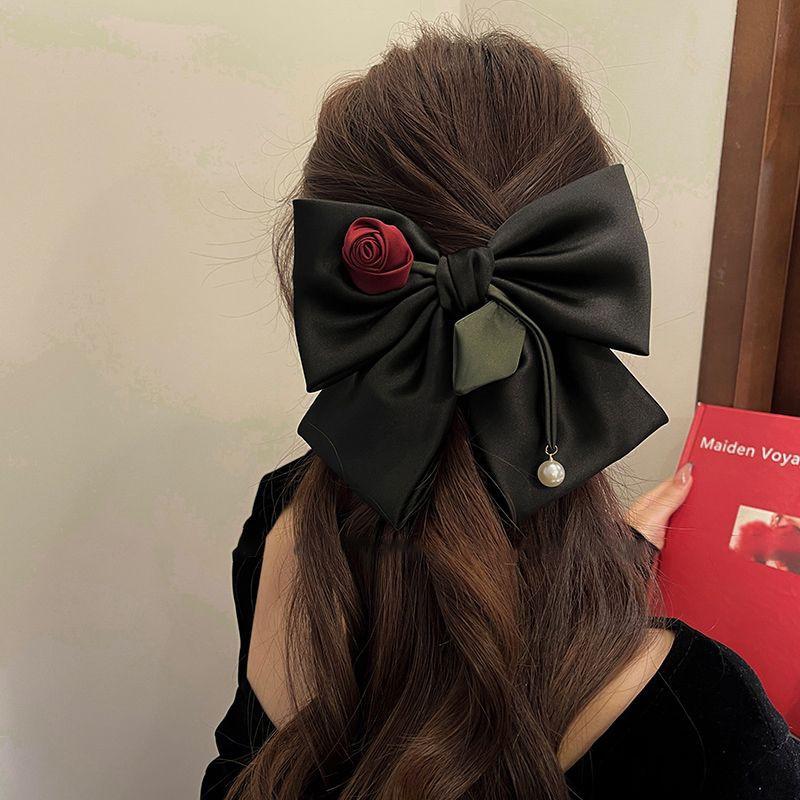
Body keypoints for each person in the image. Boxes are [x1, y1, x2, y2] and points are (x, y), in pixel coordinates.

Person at [201, 24, 800, 800]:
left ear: (323, 289)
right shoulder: (706, 722)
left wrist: (615, 553)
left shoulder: (279, 521)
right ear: (589, 283)